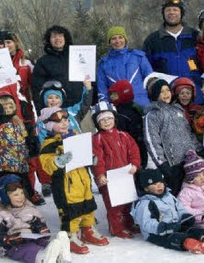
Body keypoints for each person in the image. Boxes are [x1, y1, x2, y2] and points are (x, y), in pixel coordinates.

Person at [38, 107, 109, 254]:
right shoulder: (50, 143)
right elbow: (46, 163)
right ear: (50, 125)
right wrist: (58, 161)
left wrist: (91, 158)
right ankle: (70, 235)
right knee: (71, 211)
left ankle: (88, 229)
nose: (64, 123)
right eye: (59, 121)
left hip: (83, 179)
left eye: (65, 120)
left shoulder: (75, 135)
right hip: (66, 183)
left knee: (88, 205)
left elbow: (86, 152)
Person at [131, 169, 204, 254]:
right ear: (146, 188)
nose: (159, 186)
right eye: (154, 184)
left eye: (160, 183)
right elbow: (146, 223)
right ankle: (190, 243)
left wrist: (184, 216)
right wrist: (163, 227)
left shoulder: (169, 196)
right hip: (157, 233)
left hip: (176, 225)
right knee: (173, 237)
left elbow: (179, 208)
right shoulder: (145, 203)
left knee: (192, 229)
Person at [0, 174, 72, 263]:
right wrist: (7, 239)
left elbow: (41, 222)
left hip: (34, 239)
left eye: (22, 193)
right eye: (16, 195)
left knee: (48, 244)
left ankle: (62, 255)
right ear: (4, 197)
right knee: (30, 249)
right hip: (15, 246)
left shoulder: (29, 207)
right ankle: (44, 258)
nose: (21, 197)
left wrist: (41, 228)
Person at [90, 101, 141, 238]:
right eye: (102, 120)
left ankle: (128, 223)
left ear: (114, 119)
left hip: (125, 176)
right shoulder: (97, 139)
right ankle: (117, 228)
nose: (107, 122)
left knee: (127, 203)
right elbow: (97, 159)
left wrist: (135, 164)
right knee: (114, 206)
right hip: (110, 179)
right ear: (97, 123)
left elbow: (134, 151)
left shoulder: (124, 135)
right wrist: (99, 174)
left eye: (109, 118)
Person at [144, 78, 202, 195]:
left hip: (188, 160)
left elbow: (188, 133)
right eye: (162, 92)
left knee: (190, 191)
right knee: (175, 192)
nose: (166, 94)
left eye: (167, 90)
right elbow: (151, 140)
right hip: (172, 164)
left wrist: (198, 149)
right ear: (155, 94)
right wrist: (162, 163)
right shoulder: (153, 114)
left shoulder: (177, 109)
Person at [143, 0, 202, 103]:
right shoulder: (153, 40)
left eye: (175, 10)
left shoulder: (195, 36)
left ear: (181, 13)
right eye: (168, 10)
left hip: (195, 97)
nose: (171, 13)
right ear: (163, 14)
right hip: (168, 99)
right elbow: (147, 73)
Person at [32, 25, 86, 113]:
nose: (57, 39)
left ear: (65, 38)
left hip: (81, 106)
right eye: (53, 36)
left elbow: (90, 79)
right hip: (56, 110)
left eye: (60, 36)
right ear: (49, 40)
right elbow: (37, 90)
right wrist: (41, 113)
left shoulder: (78, 56)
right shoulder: (43, 62)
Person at [97, 26, 153, 108]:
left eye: (120, 37)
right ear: (109, 42)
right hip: (119, 105)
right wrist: (105, 107)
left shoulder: (138, 56)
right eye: (113, 38)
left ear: (125, 39)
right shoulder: (104, 63)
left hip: (141, 102)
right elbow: (102, 88)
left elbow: (150, 78)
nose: (118, 41)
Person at [107, 80, 148, 167]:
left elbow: (137, 136)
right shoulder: (114, 111)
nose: (112, 97)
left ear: (124, 93)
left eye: (115, 94)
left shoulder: (128, 113)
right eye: (111, 94)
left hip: (133, 153)